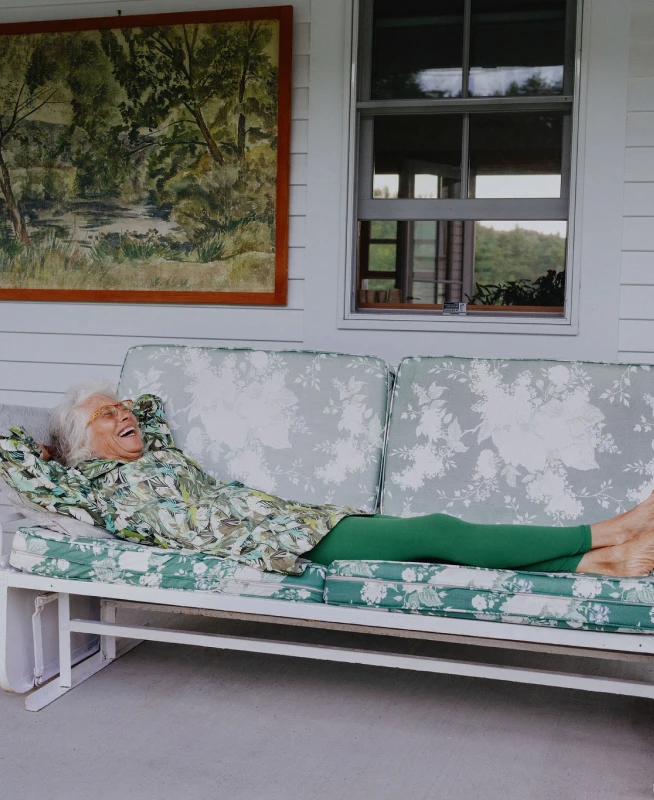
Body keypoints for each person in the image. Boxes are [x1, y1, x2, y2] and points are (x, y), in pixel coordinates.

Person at [4, 380, 654, 578]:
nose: (124, 415)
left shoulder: (154, 452)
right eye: (106, 415)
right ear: (80, 444)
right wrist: (59, 446)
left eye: (121, 410)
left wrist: (107, 411)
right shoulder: (94, 489)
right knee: (436, 530)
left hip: (289, 514)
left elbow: (143, 405)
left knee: (430, 538)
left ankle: (600, 562)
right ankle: (610, 530)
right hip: (279, 540)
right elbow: (20, 458)